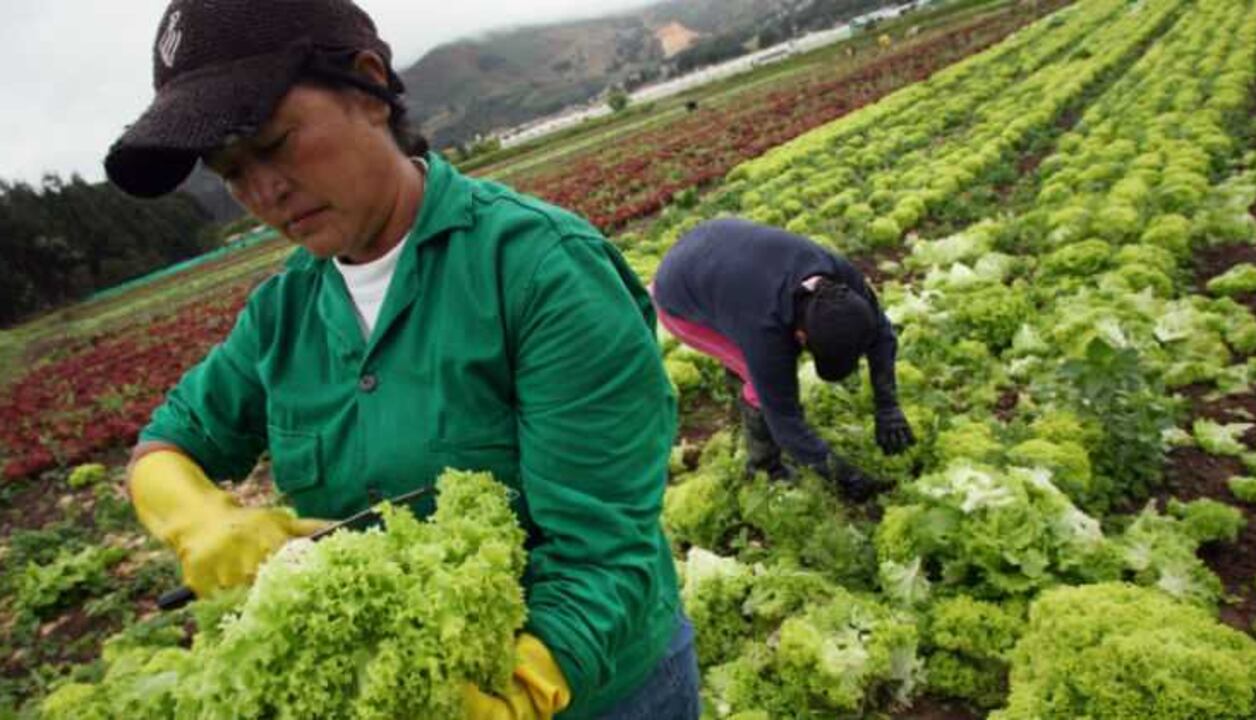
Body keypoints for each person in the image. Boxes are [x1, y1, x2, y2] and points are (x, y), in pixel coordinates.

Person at [107, 1, 699, 718]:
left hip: (601, 691)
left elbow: (604, 549)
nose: (262, 193)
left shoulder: (541, 271)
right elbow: (168, 443)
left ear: (366, 87)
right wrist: (197, 518)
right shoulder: (280, 316)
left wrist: (514, 693)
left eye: (274, 144)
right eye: (231, 172)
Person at [651, 218, 915, 500]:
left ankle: (742, 406)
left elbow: (881, 333)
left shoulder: (840, 278)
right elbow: (787, 424)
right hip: (679, 293)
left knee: (760, 367)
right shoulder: (765, 331)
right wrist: (846, 478)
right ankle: (764, 468)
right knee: (758, 384)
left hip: (719, 252)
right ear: (800, 337)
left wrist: (888, 406)